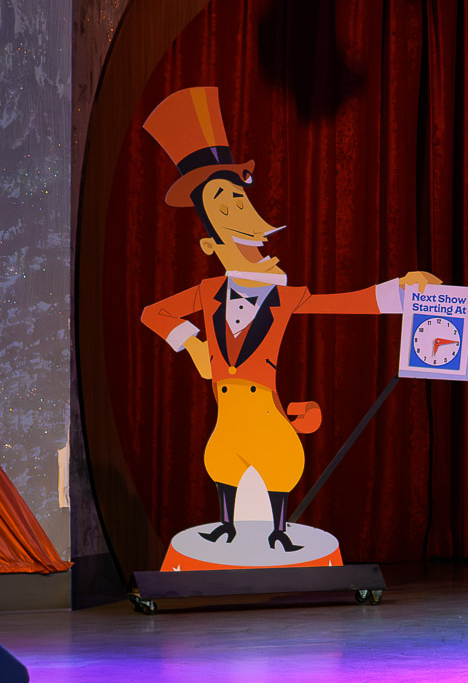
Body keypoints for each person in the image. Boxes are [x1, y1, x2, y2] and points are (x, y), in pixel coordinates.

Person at [136, 86, 441, 554]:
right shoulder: (209, 292)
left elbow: (346, 303)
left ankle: (278, 531)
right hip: (227, 417)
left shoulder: (283, 297)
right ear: (209, 245)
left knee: (279, 464)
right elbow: (153, 312)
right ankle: (227, 527)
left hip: (266, 413)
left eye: (240, 201)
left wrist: (403, 289)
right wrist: (194, 344)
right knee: (222, 464)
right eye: (226, 207)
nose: (245, 216)